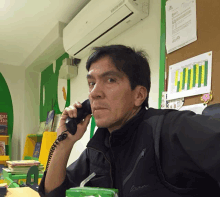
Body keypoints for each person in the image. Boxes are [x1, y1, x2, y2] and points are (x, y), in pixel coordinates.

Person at [38, 45, 220, 197]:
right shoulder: (98, 148)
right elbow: (53, 193)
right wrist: (64, 141)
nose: (94, 93)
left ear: (139, 95)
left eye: (110, 80)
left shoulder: (170, 129)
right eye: (92, 83)